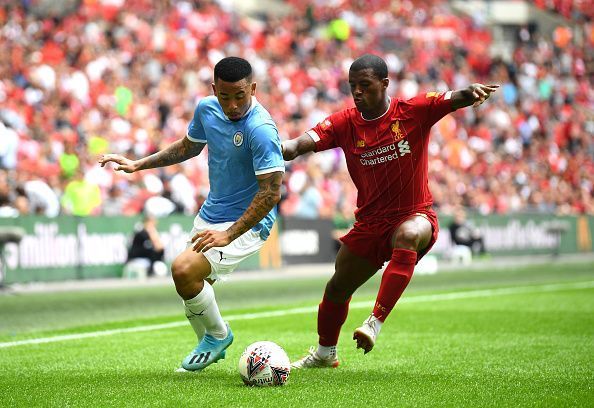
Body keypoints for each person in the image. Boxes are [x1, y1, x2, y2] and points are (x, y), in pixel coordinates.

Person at [282, 54, 498, 368]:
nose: (357, 92)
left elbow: (454, 98)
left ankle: (374, 322)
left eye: (365, 86)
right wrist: (275, 147)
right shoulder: (344, 123)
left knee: (409, 234)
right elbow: (299, 144)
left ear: (385, 84)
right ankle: (325, 353)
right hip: (370, 224)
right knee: (337, 287)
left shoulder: (413, 111)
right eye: (352, 86)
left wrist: (471, 92)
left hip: (415, 213)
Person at [98, 57, 284, 371]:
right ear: (215, 90)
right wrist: (138, 164)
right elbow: (188, 147)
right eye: (225, 97)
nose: (233, 105)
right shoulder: (207, 109)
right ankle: (213, 339)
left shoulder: (261, 129)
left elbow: (270, 193)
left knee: (183, 269)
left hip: (247, 223)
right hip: (211, 214)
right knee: (193, 285)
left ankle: (216, 335)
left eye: (241, 96)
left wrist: (229, 234)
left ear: (253, 88)